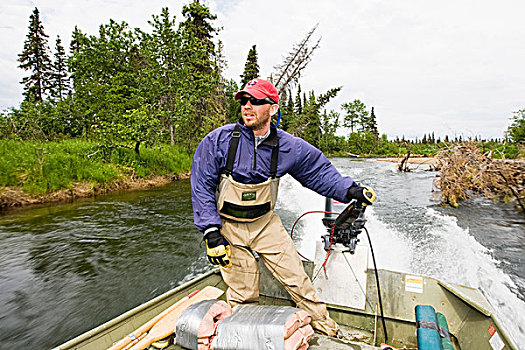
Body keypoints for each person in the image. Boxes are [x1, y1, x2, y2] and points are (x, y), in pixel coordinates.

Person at [190, 78, 376, 337]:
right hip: (228, 226)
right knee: (242, 293)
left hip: (266, 224)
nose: (247, 106)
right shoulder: (218, 141)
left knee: (299, 282)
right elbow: (201, 185)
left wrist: (350, 190)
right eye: (244, 100)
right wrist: (210, 231)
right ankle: (244, 337)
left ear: (273, 108)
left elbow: (319, 172)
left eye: (255, 101)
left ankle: (329, 330)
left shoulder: (290, 147)